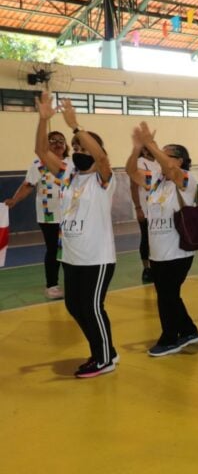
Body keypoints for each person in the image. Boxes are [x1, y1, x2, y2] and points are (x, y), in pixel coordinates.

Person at [30, 92, 118, 377]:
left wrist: (76, 126)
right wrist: (44, 120)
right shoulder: (68, 174)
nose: (78, 149)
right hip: (72, 256)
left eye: (83, 146)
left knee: (92, 307)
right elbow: (42, 153)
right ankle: (104, 350)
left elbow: (102, 157)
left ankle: (104, 359)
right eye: (75, 146)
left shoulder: (103, 178)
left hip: (97, 257)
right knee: (74, 306)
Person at [127, 125, 198, 357]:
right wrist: (137, 148)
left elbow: (169, 167)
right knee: (168, 294)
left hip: (178, 252)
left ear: (179, 161)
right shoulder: (156, 181)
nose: (160, 158)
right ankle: (189, 330)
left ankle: (170, 338)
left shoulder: (187, 179)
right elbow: (131, 171)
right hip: (157, 251)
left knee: (167, 296)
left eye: (166, 154)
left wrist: (152, 145)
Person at [4, 126, 69, 299]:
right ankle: (52, 286)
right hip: (49, 216)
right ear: (46, 145)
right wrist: (14, 200)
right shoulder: (39, 164)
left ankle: (73, 283)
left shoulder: (72, 164)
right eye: (53, 141)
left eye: (61, 141)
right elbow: (28, 185)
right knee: (54, 250)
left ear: (66, 145)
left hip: (71, 216)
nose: (57, 144)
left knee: (71, 249)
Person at [129, 146, 159, 284]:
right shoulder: (139, 162)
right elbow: (134, 187)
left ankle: (158, 265)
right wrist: (138, 208)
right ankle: (147, 269)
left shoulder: (159, 162)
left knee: (159, 237)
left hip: (160, 208)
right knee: (146, 237)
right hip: (146, 208)